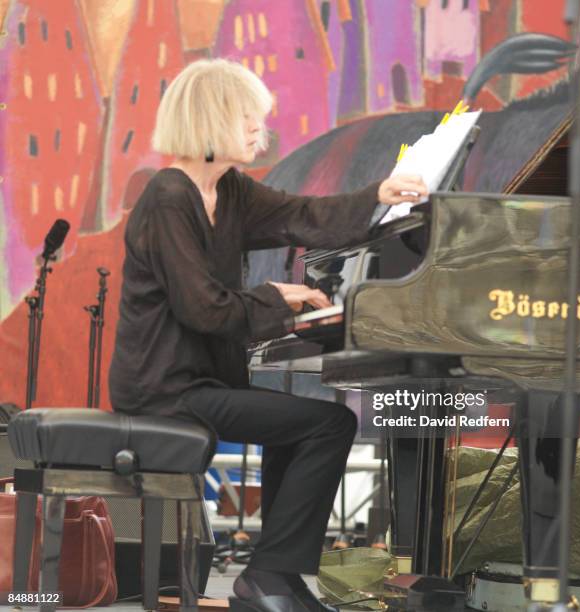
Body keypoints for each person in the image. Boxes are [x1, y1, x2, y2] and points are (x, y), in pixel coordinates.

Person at [109, 58, 428, 612]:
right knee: (328, 423)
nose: (261, 127)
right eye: (248, 117)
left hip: (198, 383)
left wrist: (379, 194)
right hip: (164, 391)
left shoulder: (229, 191)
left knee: (305, 425)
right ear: (211, 119)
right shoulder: (168, 197)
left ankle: (274, 576)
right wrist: (277, 298)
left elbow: (302, 215)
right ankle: (272, 576)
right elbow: (203, 310)